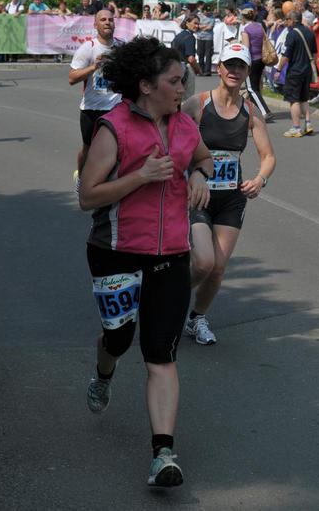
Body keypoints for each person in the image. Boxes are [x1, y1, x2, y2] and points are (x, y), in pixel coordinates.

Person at [79, 36, 213, 487]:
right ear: (146, 85)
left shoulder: (184, 125)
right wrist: (141, 176)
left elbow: (204, 159)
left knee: (161, 354)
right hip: (115, 251)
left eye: (183, 80)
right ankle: (104, 372)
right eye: (174, 81)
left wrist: (199, 175)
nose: (182, 88)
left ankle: (163, 454)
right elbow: (87, 196)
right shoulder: (113, 127)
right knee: (119, 339)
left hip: (171, 254)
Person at [182, 42, 276, 345]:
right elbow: (171, 138)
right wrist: (191, 173)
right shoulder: (197, 104)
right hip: (198, 196)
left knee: (218, 269)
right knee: (203, 263)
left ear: (247, 72)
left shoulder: (250, 111)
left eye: (241, 66)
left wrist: (260, 179)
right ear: (219, 68)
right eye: (230, 64)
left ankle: (197, 318)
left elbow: (268, 156)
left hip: (231, 199)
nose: (235, 70)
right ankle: (167, 296)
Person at [69, 9, 121, 177]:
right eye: (103, 20)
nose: (107, 22)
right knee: (88, 148)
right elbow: (72, 78)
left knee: (118, 147)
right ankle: (81, 178)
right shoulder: (88, 48)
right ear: (95, 25)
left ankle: (110, 181)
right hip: (92, 109)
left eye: (110, 20)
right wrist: (94, 67)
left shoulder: (122, 46)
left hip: (117, 107)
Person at [274, 10, 318, 137]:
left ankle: (296, 127)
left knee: (294, 100)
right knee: (304, 98)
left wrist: (278, 70)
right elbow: (315, 54)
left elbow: (286, 55)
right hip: (307, 70)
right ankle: (308, 124)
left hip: (295, 71)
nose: (285, 22)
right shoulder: (310, 32)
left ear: (292, 20)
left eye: (287, 20)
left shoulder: (292, 34)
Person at [240, 7, 273, 121]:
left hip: (251, 60)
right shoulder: (259, 26)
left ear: (243, 17)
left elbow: (246, 47)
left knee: (251, 88)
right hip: (261, 59)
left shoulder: (245, 29)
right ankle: (255, 111)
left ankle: (265, 111)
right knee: (256, 87)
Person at [171, 14, 202, 99]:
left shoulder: (178, 35)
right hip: (186, 68)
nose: (197, 26)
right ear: (187, 23)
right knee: (187, 98)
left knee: (176, 96)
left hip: (175, 67)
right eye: (195, 23)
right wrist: (198, 69)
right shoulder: (190, 37)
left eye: (198, 24)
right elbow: (191, 59)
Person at [195, 2, 214, 76]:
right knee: (200, 54)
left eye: (209, 11)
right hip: (200, 37)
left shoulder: (212, 17)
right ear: (203, 10)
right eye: (206, 11)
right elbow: (197, 25)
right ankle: (201, 70)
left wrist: (202, 26)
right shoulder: (198, 16)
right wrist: (204, 26)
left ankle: (207, 71)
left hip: (209, 38)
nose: (208, 12)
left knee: (208, 54)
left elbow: (210, 27)